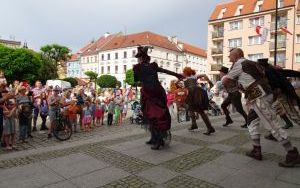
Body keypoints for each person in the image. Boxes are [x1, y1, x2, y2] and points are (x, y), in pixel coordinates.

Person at [222, 48, 300, 167]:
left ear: (237, 55)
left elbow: (226, 80)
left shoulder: (239, 64)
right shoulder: (252, 63)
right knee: (251, 121)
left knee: (272, 124)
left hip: (259, 96)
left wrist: (233, 88)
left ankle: (292, 153)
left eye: (230, 56)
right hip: (261, 95)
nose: (229, 58)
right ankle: (256, 149)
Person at [133, 46, 183, 150]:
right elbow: (165, 71)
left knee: (152, 116)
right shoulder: (153, 66)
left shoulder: (137, 67)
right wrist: (177, 75)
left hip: (148, 93)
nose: (138, 59)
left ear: (141, 58)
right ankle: (154, 138)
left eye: (139, 57)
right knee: (158, 115)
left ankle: (159, 140)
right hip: (158, 92)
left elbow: (136, 79)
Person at [182, 67, 215, 135]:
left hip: (193, 94)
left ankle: (210, 127)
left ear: (186, 72)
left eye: (184, 72)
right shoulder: (194, 76)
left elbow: (176, 83)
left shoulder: (184, 77)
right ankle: (194, 124)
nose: (183, 73)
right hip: (196, 93)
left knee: (200, 111)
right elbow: (204, 75)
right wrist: (210, 82)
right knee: (191, 109)